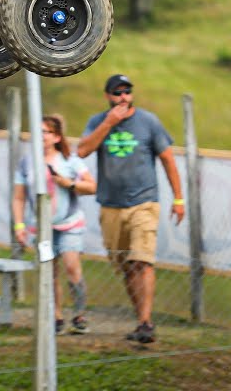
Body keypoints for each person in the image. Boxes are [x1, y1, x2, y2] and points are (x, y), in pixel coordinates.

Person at [77, 74, 184, 344]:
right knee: (126, 266)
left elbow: (168, 160)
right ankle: (141, 320)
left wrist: (178, 198)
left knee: (142, 261)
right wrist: (109, 123)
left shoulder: (149, 122)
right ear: (108, 97)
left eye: (127, 92)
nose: (123, 97)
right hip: (111, 206)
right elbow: (82, 151)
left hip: (144, 202)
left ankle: (146, 322)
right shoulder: (96, 121)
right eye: (117, 93)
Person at [13, 114, 96, 335]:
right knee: (49, 272)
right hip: (41, 227)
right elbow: (19, 197)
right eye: (37, 132)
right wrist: (19, 226)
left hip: (69, 223)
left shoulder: (70, 161)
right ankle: (56, 316)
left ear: (57, 137)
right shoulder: (27, 162)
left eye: (46, 132)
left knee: (72, 267)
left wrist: (68, 183)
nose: (41, 136)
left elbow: (91, 186)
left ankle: (79, 314)